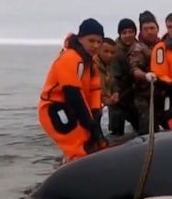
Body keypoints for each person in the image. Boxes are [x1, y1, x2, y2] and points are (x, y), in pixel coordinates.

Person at [38, 18, 107, 161]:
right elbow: (72, 94)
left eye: (99, 42)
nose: (95, 45)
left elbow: (94, 91)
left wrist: (95, 118)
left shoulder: (91, 63)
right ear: (80, 38)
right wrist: (88, 123)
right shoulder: (70, 57)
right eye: (91, 41)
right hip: (56, 108)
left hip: (77, 108)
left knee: (93, 144)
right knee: (78, 148)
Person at [127, 11, 161, 134]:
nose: (149, 31)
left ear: (158, 28)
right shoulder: (137, 48)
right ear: (141, 31)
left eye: (152, 28)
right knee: (149, 128)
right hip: (144, 96)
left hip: (163, 93)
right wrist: (145, 75)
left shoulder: (163, 45)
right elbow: (134, 69)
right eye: (146, 29)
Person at [110, 18, 140, 135]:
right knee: (116, 132)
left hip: (134, 96)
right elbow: (113, 77)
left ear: (135, 32)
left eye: (130, 31)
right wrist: (116, 93)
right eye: (124, 32)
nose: (128, 35)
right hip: (118, 97)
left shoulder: (139, 48)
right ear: (120, 34)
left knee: (141, 129)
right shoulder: (114, 51)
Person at [95, 37, 119, 107]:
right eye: (106, 51)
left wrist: (115, 92)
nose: (109, 55)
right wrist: (104, 99)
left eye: (112, 52)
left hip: (101, 106)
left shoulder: (110, 65)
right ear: (98, 50)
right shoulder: (92, 65)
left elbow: (113, 82)